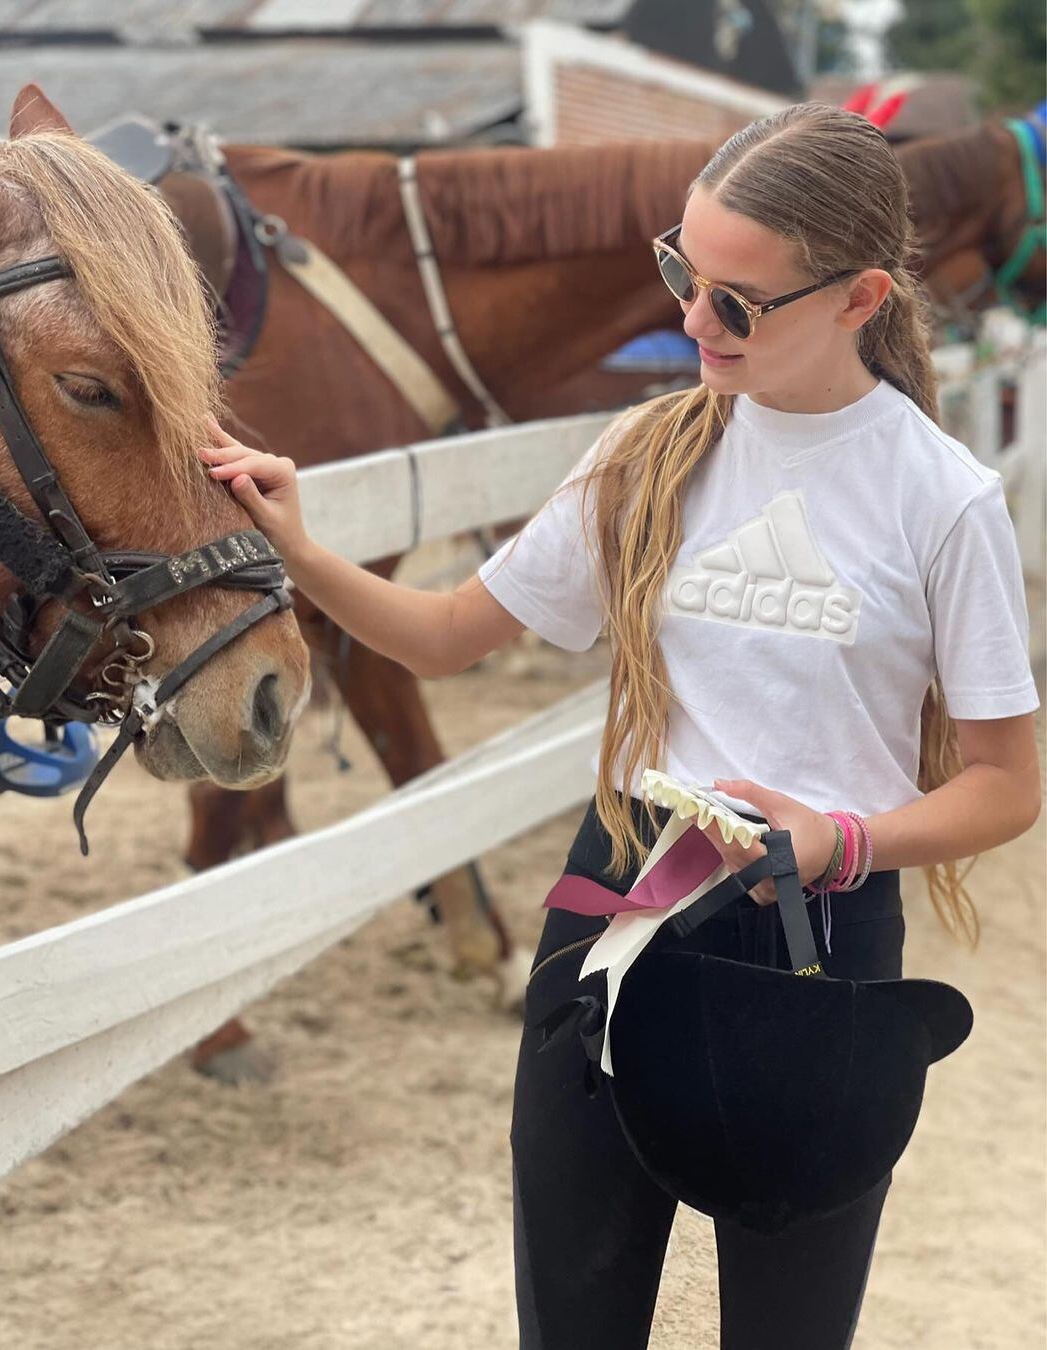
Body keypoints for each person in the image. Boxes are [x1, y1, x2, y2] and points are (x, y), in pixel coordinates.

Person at [198, 103, 1041, 1349]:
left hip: (818, 937)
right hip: (618, 915)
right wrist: (298, 544)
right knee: (573, 1326)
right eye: (681, 276)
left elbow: (1008, 783)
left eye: (736, 303)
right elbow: (443, 634)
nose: (691, 322)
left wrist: (837, 840)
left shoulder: (945, 500)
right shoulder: (648, 453)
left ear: (863, 298)